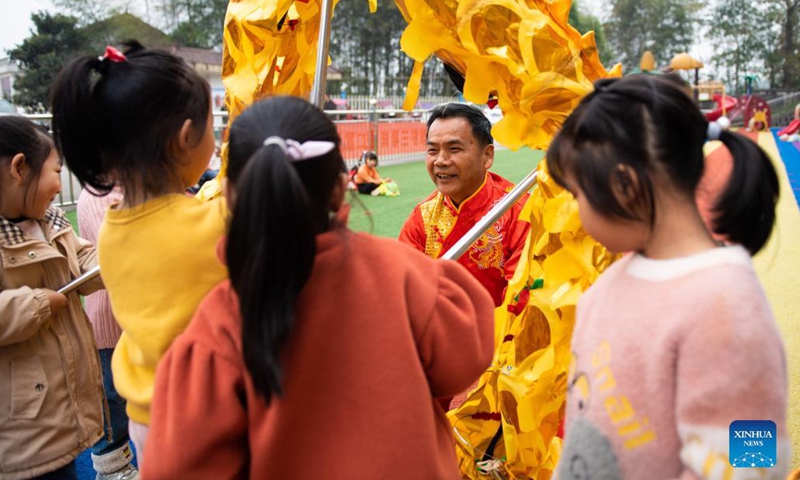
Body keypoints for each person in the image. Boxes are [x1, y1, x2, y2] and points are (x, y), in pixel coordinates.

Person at [141, 96, 496, 479]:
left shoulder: (215, 326)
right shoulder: (406, 274)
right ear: (341, 185)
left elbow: (179, 466)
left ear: (228, 195)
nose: (441, 160)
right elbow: (465, 359)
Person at [547, 75, 788, 478]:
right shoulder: (615, 281)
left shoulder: (725, 302)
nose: (577, 212)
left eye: (577, 194)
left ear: (624, 184)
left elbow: (755, 460)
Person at [50, 42, 228, 462]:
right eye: (212, 128)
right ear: (186, 138)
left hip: (146, 418)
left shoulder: (111, 232)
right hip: (202, 414)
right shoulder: (211, 223)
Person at [0, 115, 105, 479]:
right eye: (56, 171)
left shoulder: (50, 220)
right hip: (21, 429)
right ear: (19, 168)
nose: (59, 186)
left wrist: (121, 260)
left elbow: (83, 259)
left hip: (58, 411)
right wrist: (38, 304)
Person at [399, 103, 530, 307]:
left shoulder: (519, 210)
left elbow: (520, 299)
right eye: (432, 150)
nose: (441, 160)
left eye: (454, 149)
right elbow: (405, 287)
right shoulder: (422, 218)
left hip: (502, 333)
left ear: (487, 156)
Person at [77, 186, 139, 480]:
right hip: (109, 322)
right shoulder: (98, 195)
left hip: (137, 318)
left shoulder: (133, 185)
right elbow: (118, 249)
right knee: (112, 400)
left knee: (133, 395)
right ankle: (112, 466)